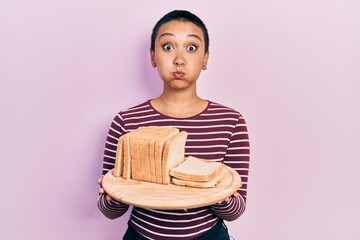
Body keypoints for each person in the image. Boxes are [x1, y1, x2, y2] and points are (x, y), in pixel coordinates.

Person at [97, 10, 250, 240]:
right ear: (152, 56)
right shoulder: (126, 121)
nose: (179, 59)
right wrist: (112, 197)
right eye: (168, 47)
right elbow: (110, 211)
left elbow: (235, 211)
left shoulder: (231, 122)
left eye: (191, 48)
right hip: (141, 235)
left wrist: (218, 189)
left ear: (205, 58)